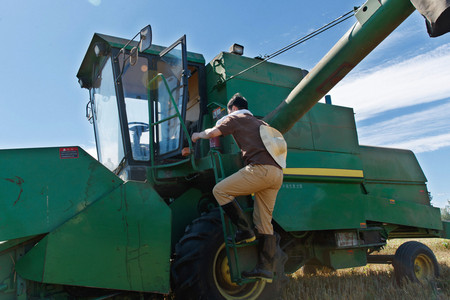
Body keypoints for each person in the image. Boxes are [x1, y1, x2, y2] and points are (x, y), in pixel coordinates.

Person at [191, 93, 286, 282]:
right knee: (264, 222)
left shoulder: (236, 117)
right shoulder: (262, 124)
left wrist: (197, 135)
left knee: (220, 190)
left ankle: (244, 231)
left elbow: (212, 133)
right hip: (277, 174)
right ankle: (266, 269)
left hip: (260, 171)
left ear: (233, 108)